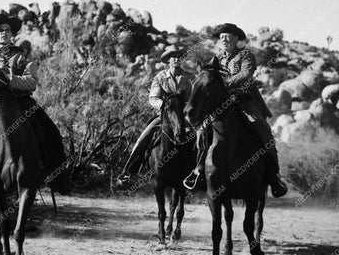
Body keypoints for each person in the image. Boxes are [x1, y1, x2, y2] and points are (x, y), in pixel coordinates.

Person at [0, 13, 69, 196]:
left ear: (12, 33)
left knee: (51, 131)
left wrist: (10, 79)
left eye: (7, 30)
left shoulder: (22, 56)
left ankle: (59, 178)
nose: (4, 33)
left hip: (23, 103)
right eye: (0, 30)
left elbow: (32, 82)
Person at [183, 23, 288, 197]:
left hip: (244, 103)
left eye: (228, 37)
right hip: (221, 105)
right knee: (202, 131)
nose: (224, 39)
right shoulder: (217, 58)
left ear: (236, 39)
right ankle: (199, 171)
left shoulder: (245, 55)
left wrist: (225, 83)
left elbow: (246, 74)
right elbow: (208, 75)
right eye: (221, 37)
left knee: (263, 130)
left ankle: (273, 176)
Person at [118, 45, 191, 183]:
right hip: (163, 116)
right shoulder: (160, 77)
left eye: (178, 56)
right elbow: (153, 98)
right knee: (144, 136)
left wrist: (184, 110)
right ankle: (128, 172)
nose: (176, 59)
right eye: (173, 57)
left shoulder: (187, 79)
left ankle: (198, 173)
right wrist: (165, 105)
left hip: (182, 117)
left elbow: (190, 100)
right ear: (168, 60)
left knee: (200, 135)